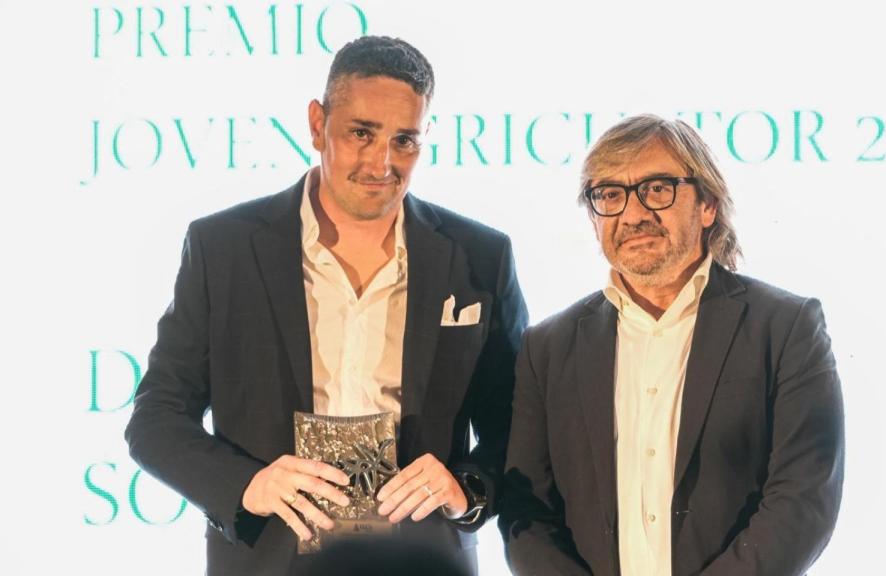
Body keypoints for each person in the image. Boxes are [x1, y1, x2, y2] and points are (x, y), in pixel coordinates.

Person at [125, 35, 527, 576]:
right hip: (270, 559)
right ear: (318, 125)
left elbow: (517, 425)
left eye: (404, 140)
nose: (382, 163)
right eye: (361, 133)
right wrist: (249, 485)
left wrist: (468, 487)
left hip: (424, 561)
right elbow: (156, 419)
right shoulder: (224, 248)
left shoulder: (480, 256)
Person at [500, 114, 844, 576]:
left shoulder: (785, 327)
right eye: (610, 195)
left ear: (708, 206)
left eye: (657, 188)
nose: (634, 214)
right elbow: (527, 511)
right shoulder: (548, 348)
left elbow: (803, 499)